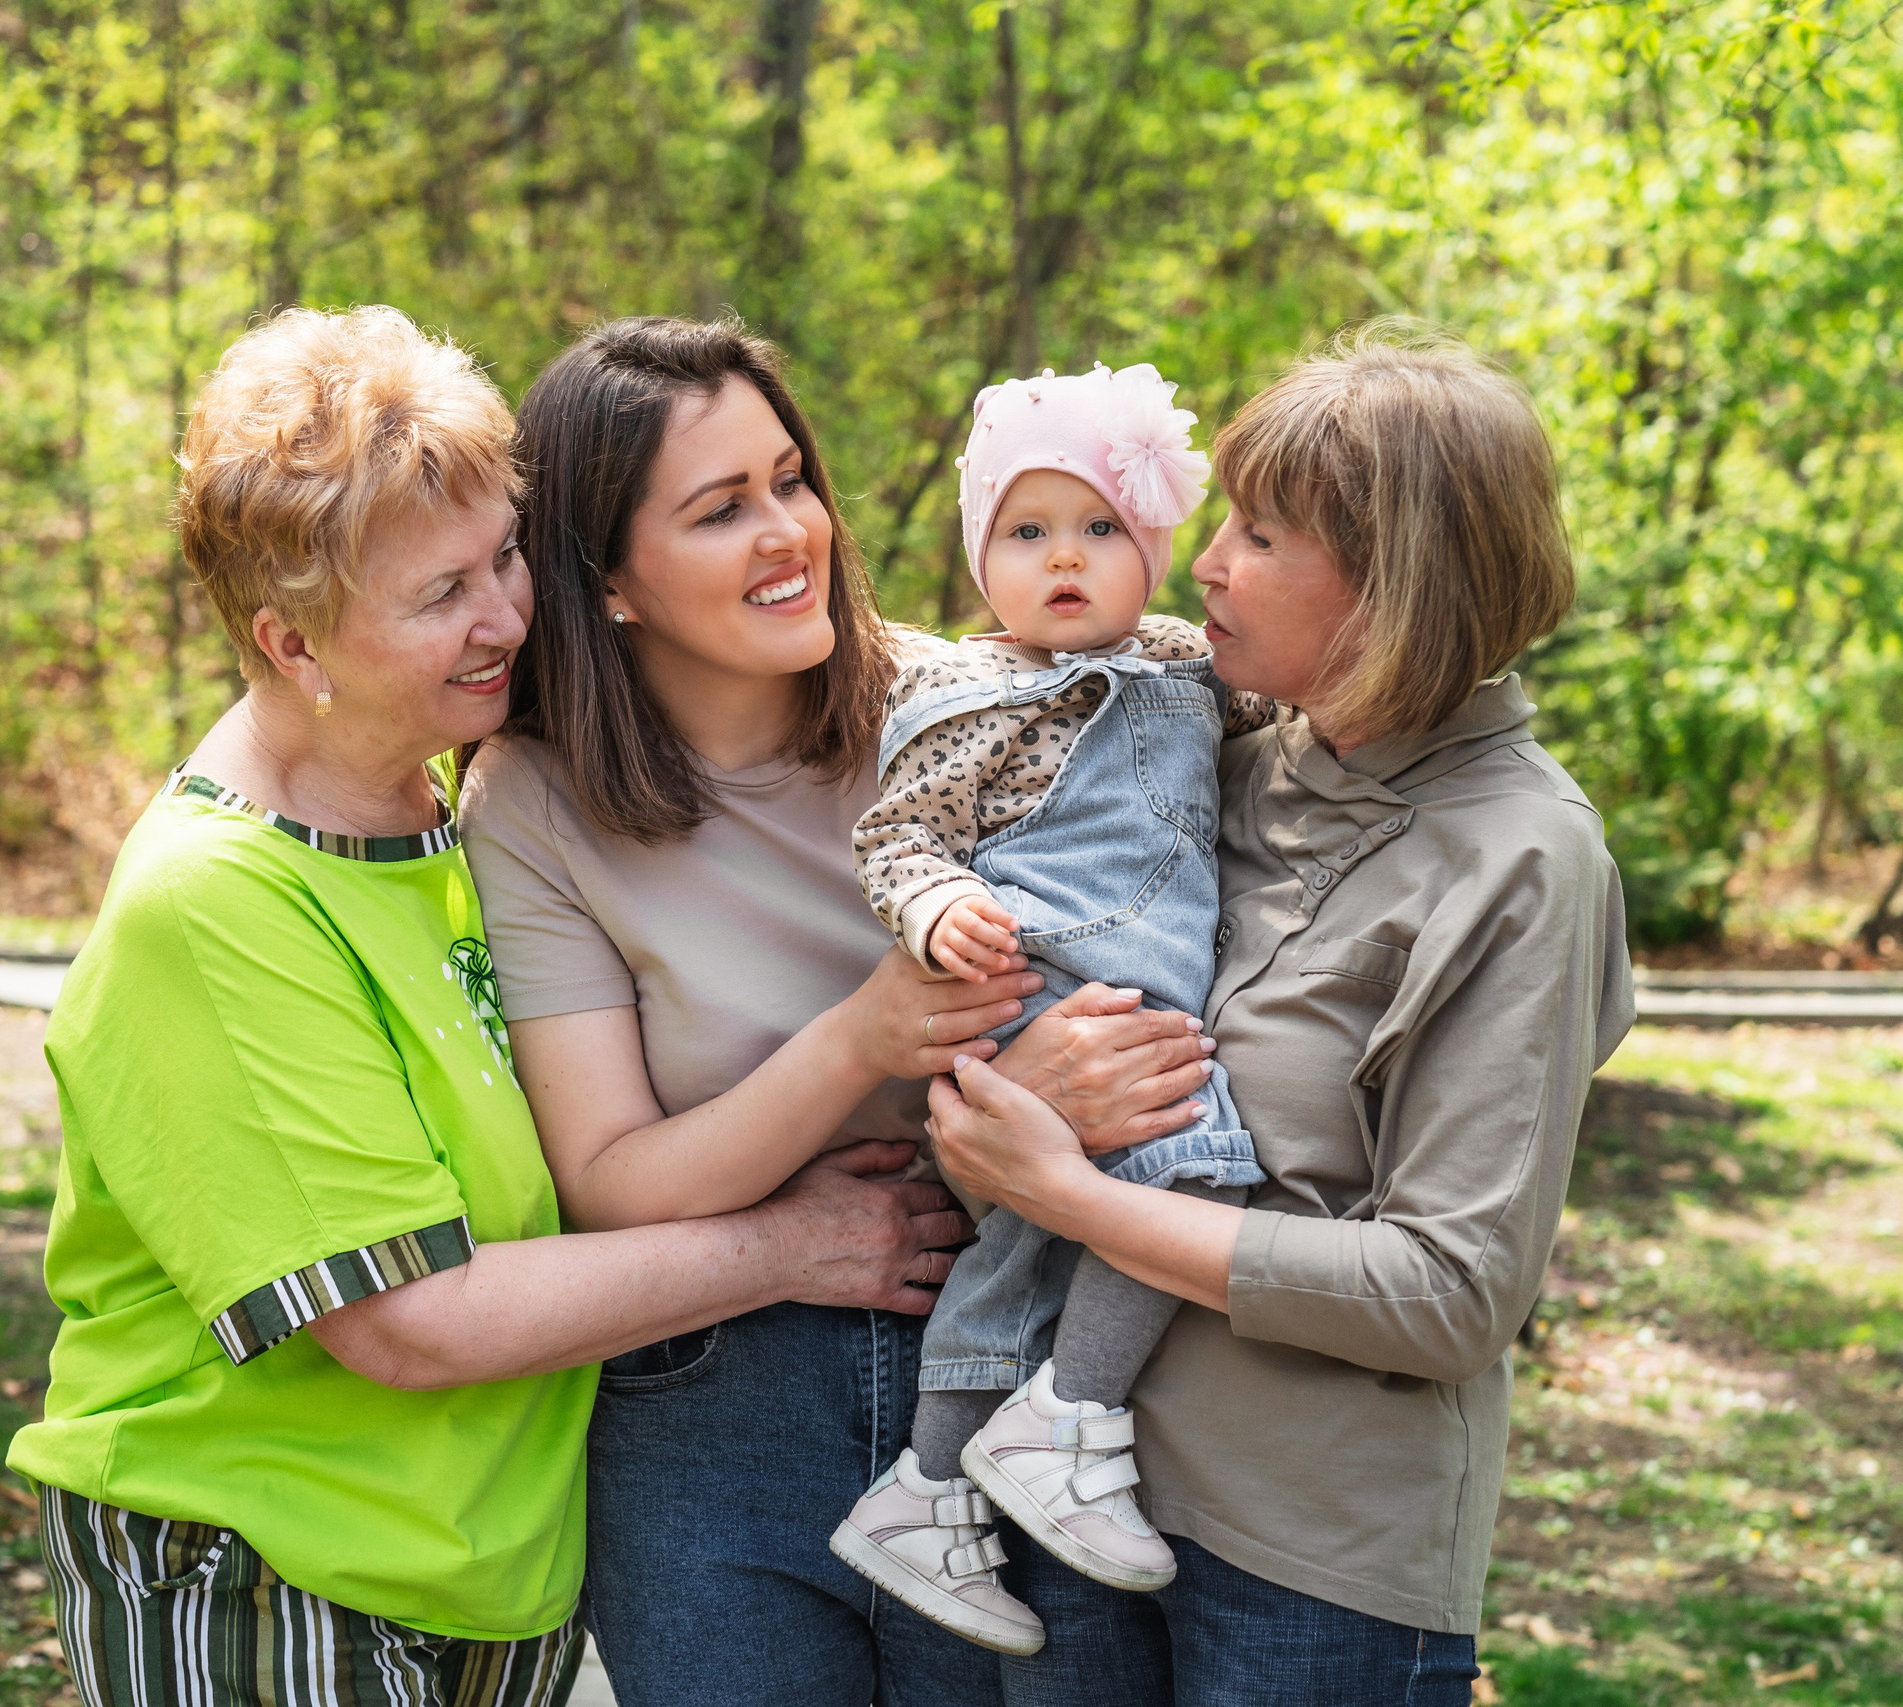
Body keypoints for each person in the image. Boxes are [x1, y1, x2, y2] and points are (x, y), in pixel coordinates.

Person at [9, 306, 973, 1707]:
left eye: (506, 557)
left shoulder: (452, 811)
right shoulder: (215, 904)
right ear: (292, 645)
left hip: (485, 1582)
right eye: (439, 595)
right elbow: (408, 1321)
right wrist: (789, 1245)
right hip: (270, 1580)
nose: (509, 616)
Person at [460, 318, 1217, 1707]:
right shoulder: (534, 802)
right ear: (607, 579)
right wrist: (869, 1039)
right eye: (721, 508)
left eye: (792, 480)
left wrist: (1015, 1101)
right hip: (709, 1419)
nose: (788, 531)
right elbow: (614, 1178)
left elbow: (1149, 952)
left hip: (999, 1370)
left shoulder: (973, 704)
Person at [925, 325, 1637, 1707]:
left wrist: (1069, 1194)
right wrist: (1005, 1119)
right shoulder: (1220, 762)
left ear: (1391, 587)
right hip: (1077, 1509)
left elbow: (1449, 1296)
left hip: (1308, 1570)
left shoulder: (1522, 859)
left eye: (1259, 533)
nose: (1202, 560)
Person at [831, 362, 1272, 1653]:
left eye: (1100, 531)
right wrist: (932, 911)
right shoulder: (974, 699)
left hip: (1137, 987)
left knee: (1023, 1258)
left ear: (1154, 552)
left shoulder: (1193, 673)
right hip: (1045, 990)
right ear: (982, 558)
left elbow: (1292, 714)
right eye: (1026, 533)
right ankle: (1070, 1418)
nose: (1063, 560)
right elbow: (899, 838)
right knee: (1196, 1176)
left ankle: (925, 1492)